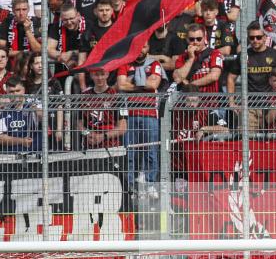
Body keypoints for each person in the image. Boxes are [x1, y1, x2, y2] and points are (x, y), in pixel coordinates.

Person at [116, 43, 164, 199]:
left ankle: (150, 184)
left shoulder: (154, 64)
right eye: (137, 48)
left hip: (149, 113)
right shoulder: (125, 64)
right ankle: (130, 187)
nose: (140, 50)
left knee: (150, 152)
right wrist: (142, 84)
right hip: (129, 114)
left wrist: (133, 82)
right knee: (129, 152)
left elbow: (153, 84)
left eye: (143, 47)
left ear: (148, 48)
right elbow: (121, 84)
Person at [79, 67, 127, 149]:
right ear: (91, 75)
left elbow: (123, 128)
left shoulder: (117, 97)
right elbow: (79, 124)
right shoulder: (84, 97)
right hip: (90, 147)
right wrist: (87, 133)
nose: (100, 78)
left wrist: (103, 136)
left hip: (112, 147)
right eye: (96, 75)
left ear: (107, 74)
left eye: (102, 74)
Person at [172, 23, 223, 93]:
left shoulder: (214, 53)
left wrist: (191, 85)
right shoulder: (182, 57)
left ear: (204, 38)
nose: (195, 42)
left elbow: (214, 76)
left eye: (199, 39)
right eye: (191, 39)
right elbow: (177, 78)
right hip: (189, 101)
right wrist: (191, 58)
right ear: (187, 39)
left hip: (209, 100)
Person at [0, 76, 41, 152]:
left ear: (23, 90)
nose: (15, 94)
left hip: (33, 153)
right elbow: (0, 138)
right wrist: (22, 141)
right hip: (11, 156)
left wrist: (35, 108)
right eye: (11, 92)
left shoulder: (33, 103)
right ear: (7, 92)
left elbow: (45, 119)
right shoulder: (4, 110)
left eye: (18, 91)